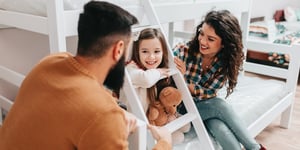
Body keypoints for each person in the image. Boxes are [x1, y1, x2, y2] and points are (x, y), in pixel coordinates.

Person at [0, 1, 171, 150]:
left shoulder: (49, 63)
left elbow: (80, 96)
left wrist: (113, 109)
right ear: (118, 49)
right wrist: (164, 142)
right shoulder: (104, 117)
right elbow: (93, 107)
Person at [173, 10, 266, 150]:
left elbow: (209, 93)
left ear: (223, 44)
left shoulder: (224, 64)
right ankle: (255, 148)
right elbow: (168, 89)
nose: (202, 41)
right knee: (219, 104)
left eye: (210, 39)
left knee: (219, 127)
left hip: (204, 110)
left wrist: (190, 87)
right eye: (201, 33)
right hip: (180, 111)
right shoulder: (182, 51)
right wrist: (182, 80)